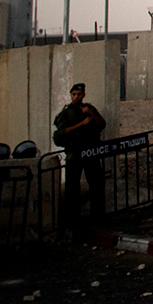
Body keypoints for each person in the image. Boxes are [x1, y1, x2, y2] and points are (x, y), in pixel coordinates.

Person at [53, 83, 106, 224]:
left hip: (90, 150)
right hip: (74, 151)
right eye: (74, 94)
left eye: (79, 94)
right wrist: (82, 124)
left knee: (96, 182)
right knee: (72, 185)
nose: (76, 97)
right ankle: (73, 218)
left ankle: (98, 216)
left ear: (83, 95)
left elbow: (102, 124)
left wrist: (91, 115)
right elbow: (62, 131)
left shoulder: (89, 109)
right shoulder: (66, 112)